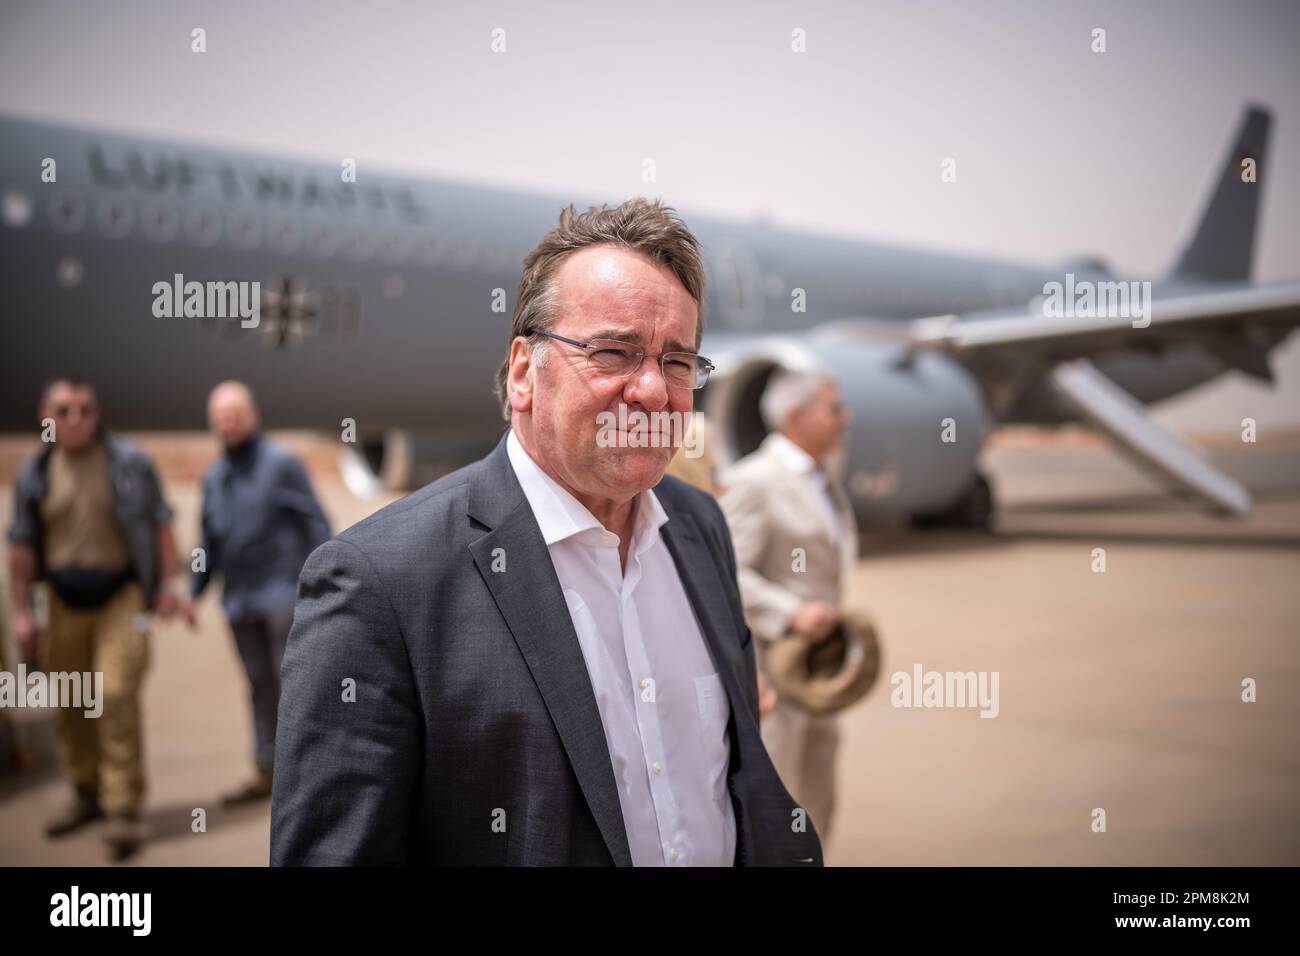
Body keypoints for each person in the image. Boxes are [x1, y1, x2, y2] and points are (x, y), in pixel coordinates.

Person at [271, 198, 823, 866]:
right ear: (526, 373)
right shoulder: (379, 586)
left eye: (677, 361)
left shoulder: (699, 524)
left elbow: (731, 777)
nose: (653, 390)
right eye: (614, 352)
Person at [6, 378, 188, 860]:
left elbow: (160, 521)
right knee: (71, 702)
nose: (75, 420)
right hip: (63, 600)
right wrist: (22, 612)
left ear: (96, 412)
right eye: (64, 411)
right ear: (48, 415)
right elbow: (21, 544)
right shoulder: (37, 471)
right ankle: (85, 794)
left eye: (84, 410)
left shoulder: (128, 461)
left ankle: (123, 809)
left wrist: (168, 584)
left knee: (114, 694)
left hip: (119, 596)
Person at [718, 371, 856, 845]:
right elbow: (723, 571)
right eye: (834, 410)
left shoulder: (821, 477)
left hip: (819, 670)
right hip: (773, 674)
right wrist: (791, 611)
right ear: (796, 417)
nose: (846, 419)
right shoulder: (756, 481)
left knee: (819, 799)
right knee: (777, 804)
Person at [193, 381, 330, 806]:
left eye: (235, 414)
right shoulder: (215, 477)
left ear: (252, 416)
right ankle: (267, 769)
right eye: (221, 417)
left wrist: (323, 585)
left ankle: (309, 774)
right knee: (258, 683)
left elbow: (316, 525)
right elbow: (208, 541)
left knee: (296, 684)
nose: (228, 423)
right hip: (240, 600)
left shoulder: (281, 464)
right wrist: (191, 590)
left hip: (281, 594)